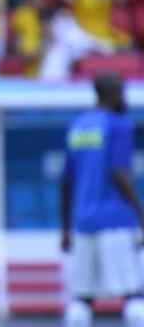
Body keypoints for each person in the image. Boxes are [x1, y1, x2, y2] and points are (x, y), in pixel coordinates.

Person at [60, 73, 144, 327]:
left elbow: (66, 182)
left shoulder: (78, 127)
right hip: (116, 220)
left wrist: (65, 228)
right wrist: (141, 214)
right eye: (121, 92)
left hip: (83, 222)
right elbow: (119, 173)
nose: (124, 98)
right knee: (133, 294)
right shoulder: (119, 125)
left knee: (82, 298)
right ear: (112, 94)